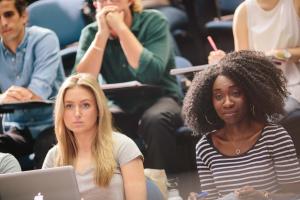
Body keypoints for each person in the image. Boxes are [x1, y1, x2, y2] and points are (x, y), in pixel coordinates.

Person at [75, 0, 183, 172]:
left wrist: (121, 29)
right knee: (99, 122)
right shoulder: (90, 32)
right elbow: (82, 82)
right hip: (119, 103)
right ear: (95, 4)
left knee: (155, 120)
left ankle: (166, 185)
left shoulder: (154, 21)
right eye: (102, 0)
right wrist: (101, 36)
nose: (109, 4)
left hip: (161, 97)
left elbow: (151, 74)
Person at [183, 50, 300, 200]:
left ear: (251, 94)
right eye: (218, 96)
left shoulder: (274, 137)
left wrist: (264, 196)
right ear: (209, 102)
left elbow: (295, 195)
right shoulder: (204, 148)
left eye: (236, 93)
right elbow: (211, 197)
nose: (227, 103)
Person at [42, 73, 146, 200]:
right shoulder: (53, 156)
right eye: (69, 106)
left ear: (98, 109)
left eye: (85, 105)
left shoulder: (124, 146)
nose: (77, 113)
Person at [0, 0, 65, 168]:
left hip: (52, 124)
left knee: (46, 147)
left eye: (8, 14)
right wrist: (2, 98)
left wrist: (5, 99)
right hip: (17, 128)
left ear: (23, 16)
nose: (3, 23)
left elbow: (36, 93)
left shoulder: (45, 38)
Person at [208, 0, 300, 103]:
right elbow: (242, 63)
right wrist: (224, 61)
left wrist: (277, 54)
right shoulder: (243, 11)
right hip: (261, 87)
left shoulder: (295, 4)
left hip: (295, 82)